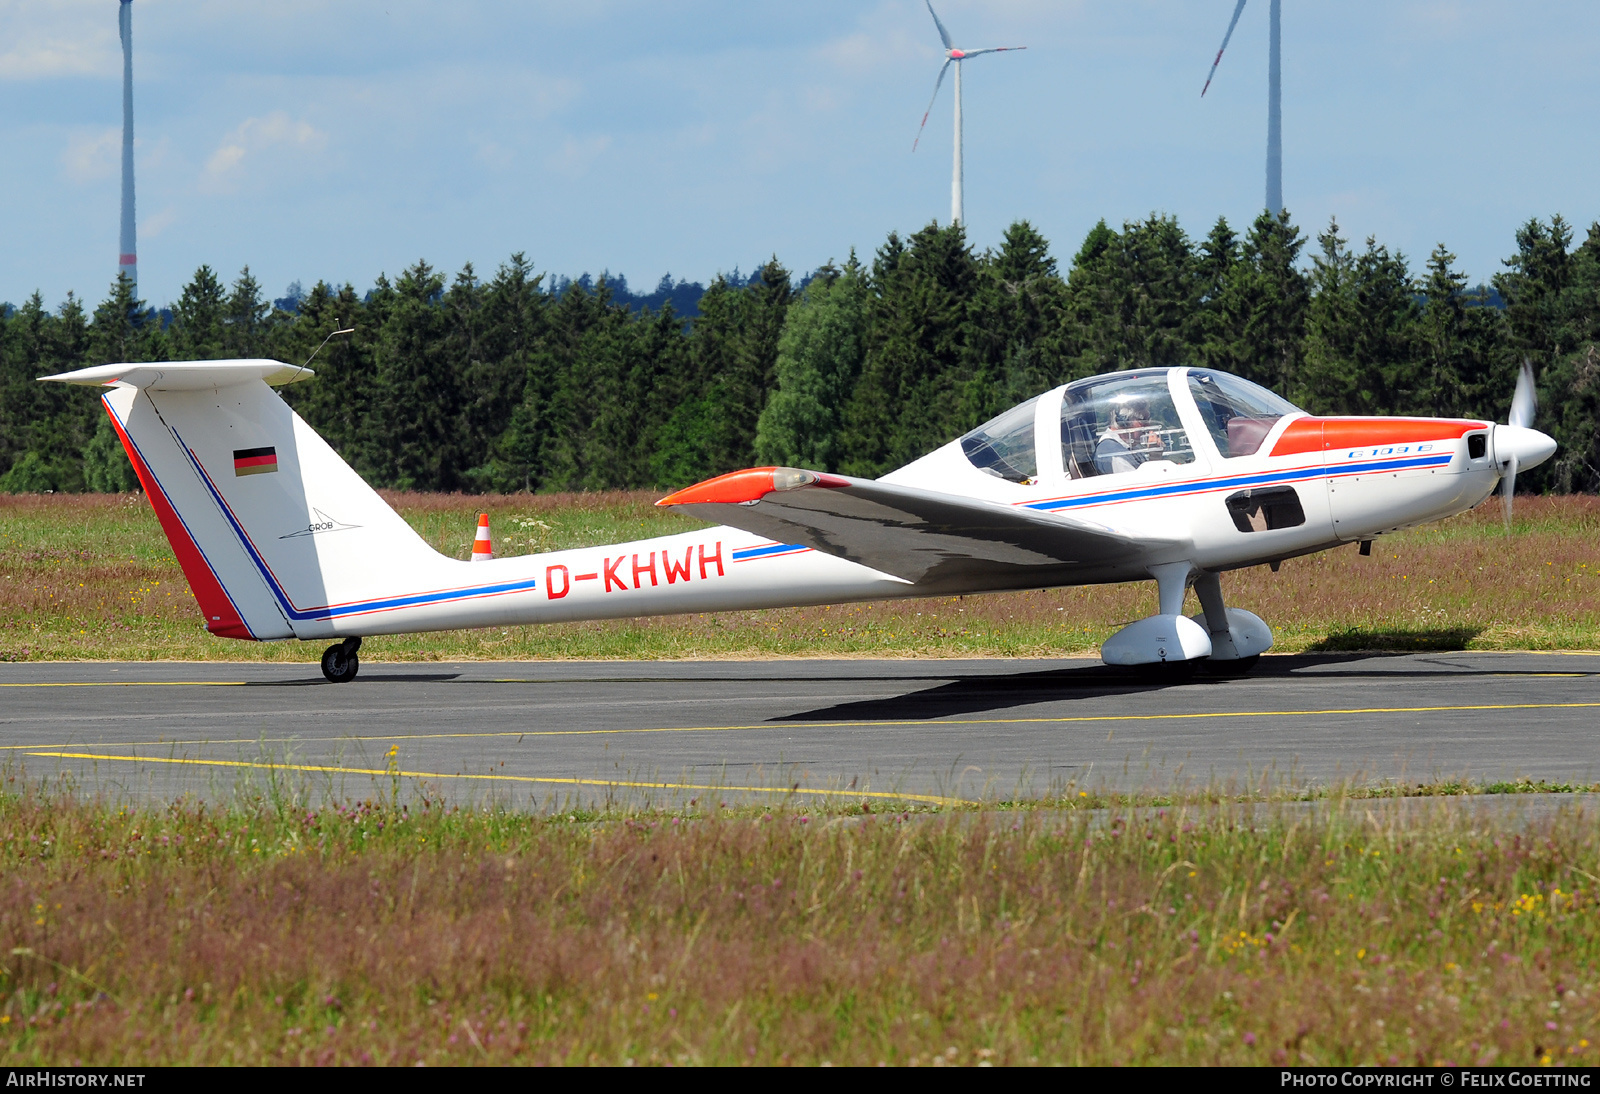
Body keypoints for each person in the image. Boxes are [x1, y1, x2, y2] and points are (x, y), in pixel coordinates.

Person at [1094, 396, 1165, 474]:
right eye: (1143, 420)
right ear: (1124, 422)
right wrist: (1155, 457)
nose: (1148, 425)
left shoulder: (1129, 444)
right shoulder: (1115, 455)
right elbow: (1142, 485)